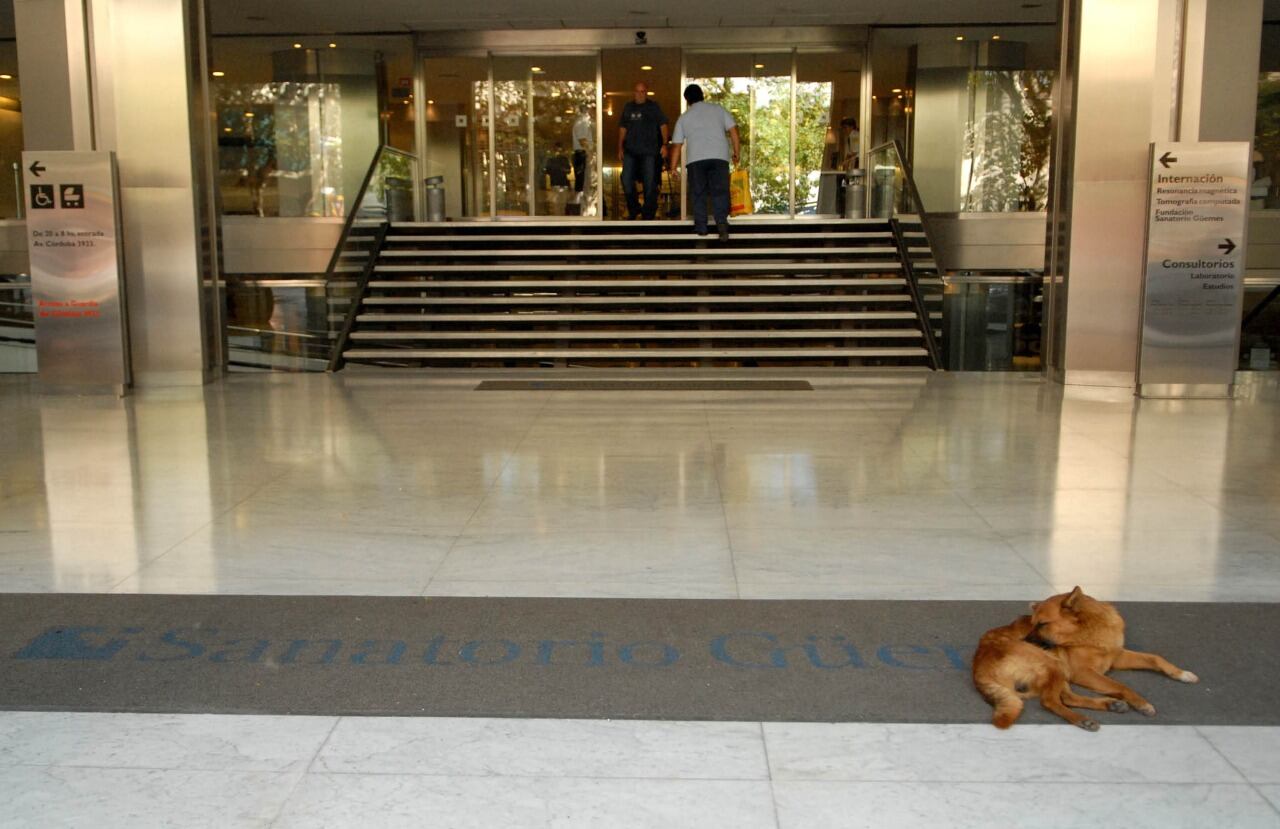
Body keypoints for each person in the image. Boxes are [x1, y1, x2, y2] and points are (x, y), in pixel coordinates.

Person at [668, 83, 740, 241]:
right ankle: (722, 225)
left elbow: (677, 145)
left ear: (686, 100)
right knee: (720, 191)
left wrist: (673, 168)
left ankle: (701, 228)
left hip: (696, 159)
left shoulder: (684, 117)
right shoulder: (718, 110)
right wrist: (736, 153)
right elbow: (733, 130)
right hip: (719, 157)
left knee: (698, 193)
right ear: (702, 95)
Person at [618, 81, 669, 220]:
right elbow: (623, 128)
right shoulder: (628, 107)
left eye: (643, 91)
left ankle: (648, 212)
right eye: (637, 91)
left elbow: (663, 125)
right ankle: (634, 208)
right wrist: (620, 147)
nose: (640, 94)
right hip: (630, 151)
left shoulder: (653, 107)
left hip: (649, 152)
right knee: (626, 179)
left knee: (650, 182)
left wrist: (664, 144)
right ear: (634, 92)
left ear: (646, 93)